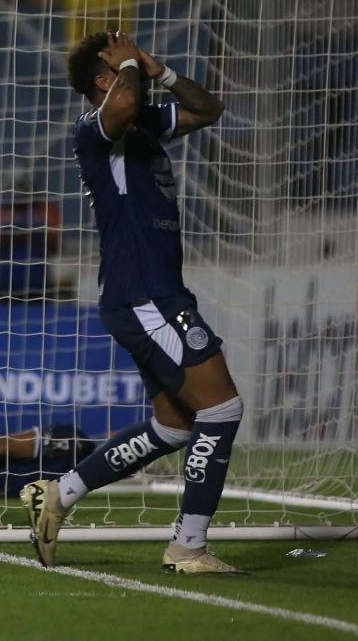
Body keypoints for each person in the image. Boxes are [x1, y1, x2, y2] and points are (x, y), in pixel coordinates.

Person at [21, 29, 241, 574]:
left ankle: (62, 492)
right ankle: (188, 546)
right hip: (146, 293)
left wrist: (155, 68)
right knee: (222, 408)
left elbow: (208, 108)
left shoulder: (142, 124)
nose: (133, 69)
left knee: (174, 426)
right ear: (103, 79)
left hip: (151, 291)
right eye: (119, 64)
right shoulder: (95, 131)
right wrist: (130, 70)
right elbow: (121, 102)